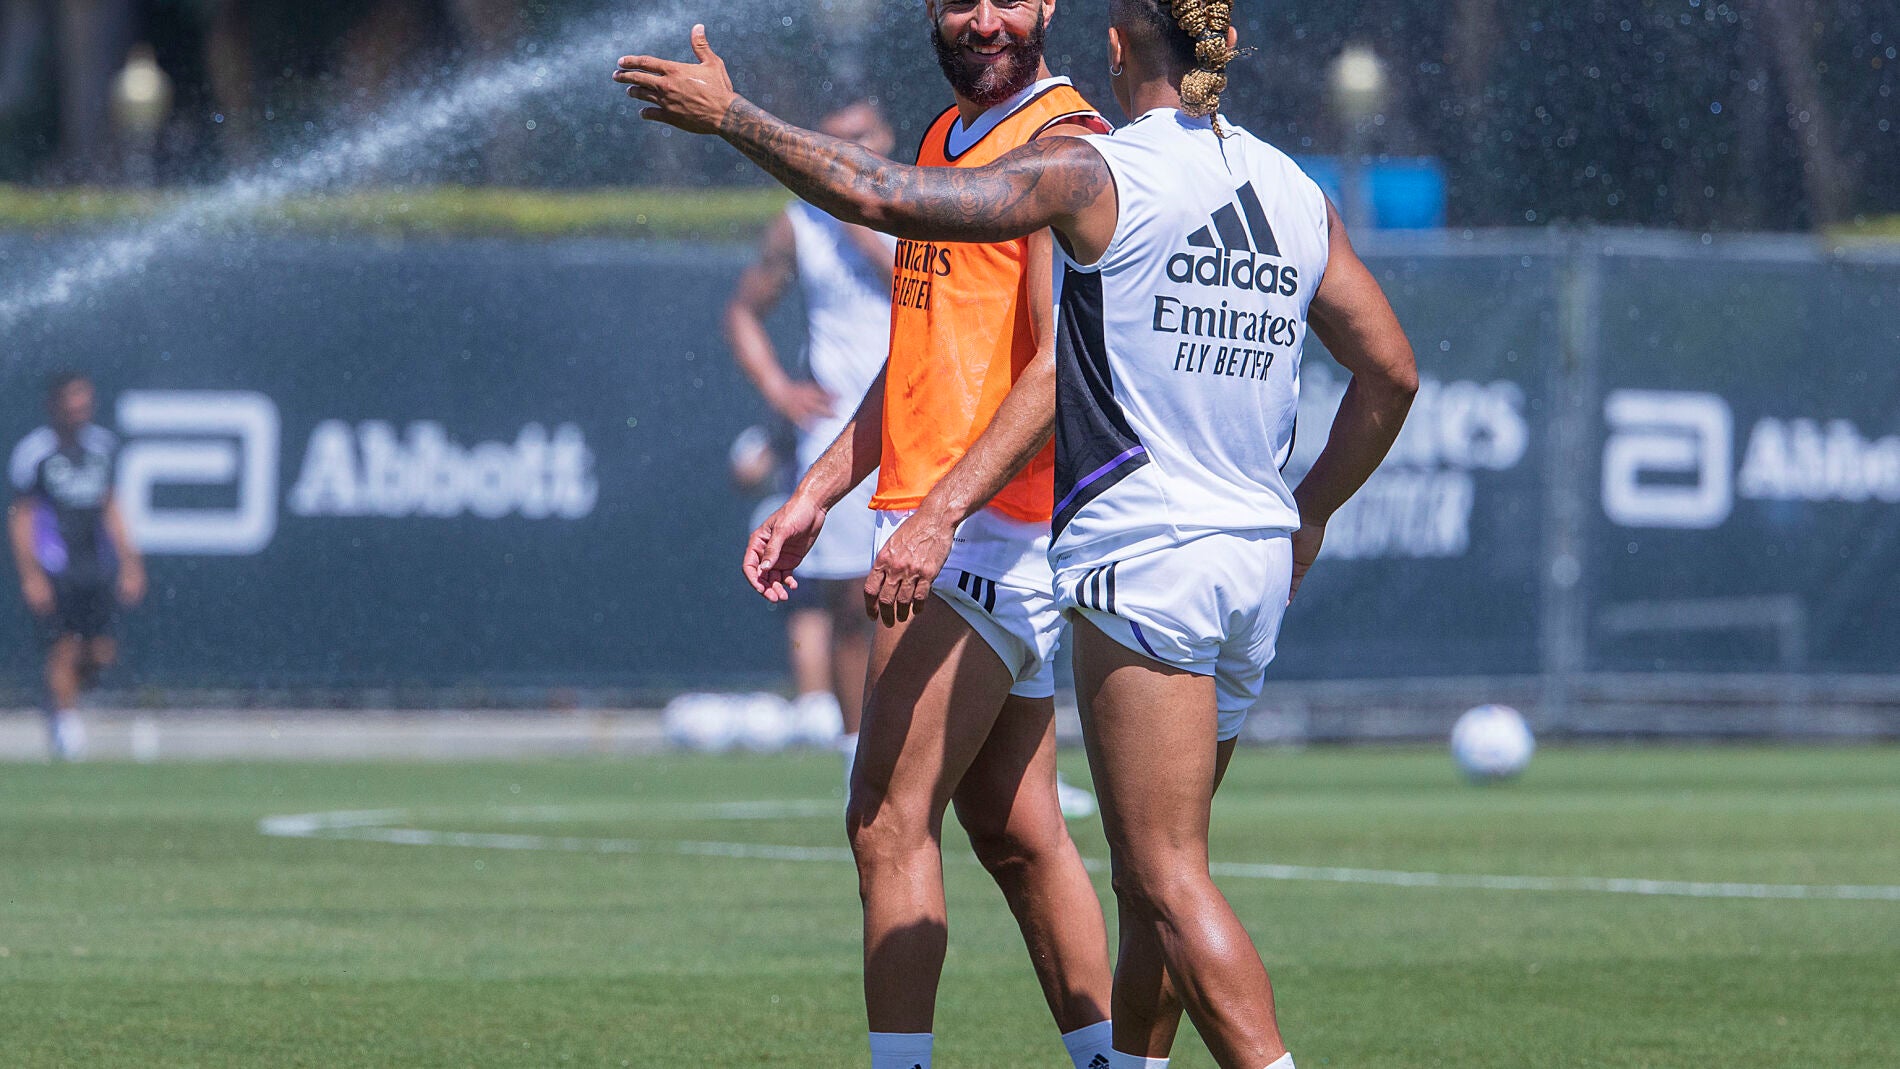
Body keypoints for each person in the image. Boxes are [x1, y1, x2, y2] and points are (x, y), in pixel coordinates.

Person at [615, 1, 1419, 1066]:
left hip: (1091, 546)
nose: (987, 17)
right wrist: (1308, 512)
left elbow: (983, 295)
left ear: (1106, 38)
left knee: (1070, 858)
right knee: (1048, 837)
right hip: (1237, 556)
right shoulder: (1287, 186)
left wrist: (734, 118)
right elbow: (1392, 372)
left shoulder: (1085, 161)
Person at [629, 5, 1118, 1069]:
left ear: (1047, 6)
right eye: (958, 1)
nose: (983, 20)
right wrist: (817, 492)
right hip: (959, 525)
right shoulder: (946, 137)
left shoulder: (1067, 146)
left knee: (887, 822)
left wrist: (938, 515)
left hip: (982, 534)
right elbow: (919, 355)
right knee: (1017, 831)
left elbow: (1059, 369)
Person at [723, 99, 896, 786]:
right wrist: (779, 390)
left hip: (923, 421)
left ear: (886, 135)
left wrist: (863, 221)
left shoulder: (924, 204)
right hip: (839, 431)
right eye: (838, 142)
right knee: (852, 600)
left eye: (862, 137)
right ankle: (857, 754)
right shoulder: (800, 223)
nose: (853, 152)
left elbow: (917, 290)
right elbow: (743, 310)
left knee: (956, 595)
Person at [9, 371, 147, 761]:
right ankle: (66, 728)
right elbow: (22, 517)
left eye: (84, 399)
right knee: (64, 646)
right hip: (56, 566)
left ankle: (60, 696)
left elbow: (112, 506)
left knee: (101, 652)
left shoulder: (102, 447)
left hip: (96, 566)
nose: (79, 408)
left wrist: (130, 562)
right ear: (54, 405)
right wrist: (31, 575)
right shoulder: (35, 452)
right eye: (71, 400)